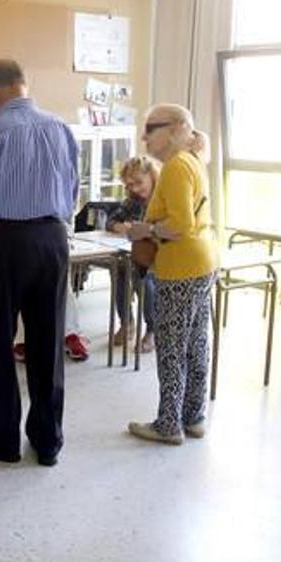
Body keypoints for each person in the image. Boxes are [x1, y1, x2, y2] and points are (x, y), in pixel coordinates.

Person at [0, 59, 78, 466]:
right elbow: (73, 192)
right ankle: (47, 440)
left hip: (3, 241)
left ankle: (3, 436)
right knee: (48, 339)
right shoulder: (60, 127)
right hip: (54, 239)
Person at [125, 105, 218, 444]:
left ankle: (168, 424)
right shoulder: (192, 160)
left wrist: (143, 230)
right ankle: (193, 416)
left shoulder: (177, 167)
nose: (144, 135)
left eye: (151, 127)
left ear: (177, 129)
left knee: (171, 347)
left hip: (181, 265)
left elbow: (180, 225)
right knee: (195, 342)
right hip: (202, 259)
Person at [107, 156, 160, 353]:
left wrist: (146, 229)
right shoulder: (133, 200)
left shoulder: (163, 196)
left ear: (151, 175)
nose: (135, 188)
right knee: (119, 271)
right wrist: (121, 225)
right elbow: (111, 220)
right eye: (130, 185)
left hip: (160, 254)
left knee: (143, 278)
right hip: (138, 251)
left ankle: (153, 330)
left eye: (139, 182)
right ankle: (127, 322)